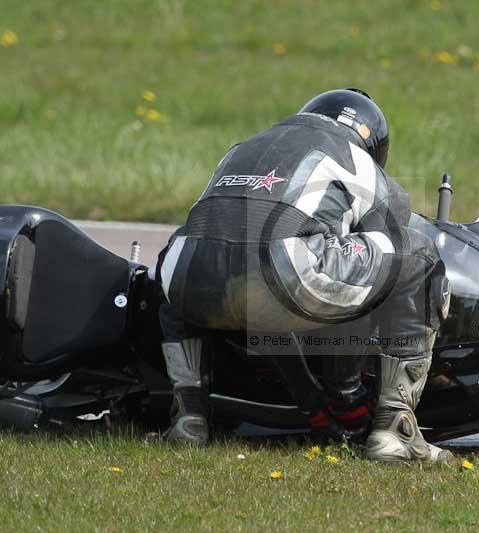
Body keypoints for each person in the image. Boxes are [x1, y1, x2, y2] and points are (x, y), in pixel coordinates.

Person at [156, 88, 452, 462]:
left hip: (186, 277)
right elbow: (378, 279)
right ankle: (396, 432)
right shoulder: (358, 161)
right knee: (418, 254)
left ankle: (189, 418)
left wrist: (309, 400)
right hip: (288, 277)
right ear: (374, 144)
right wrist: (343, 386)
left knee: (200, 266)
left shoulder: (242, 148)